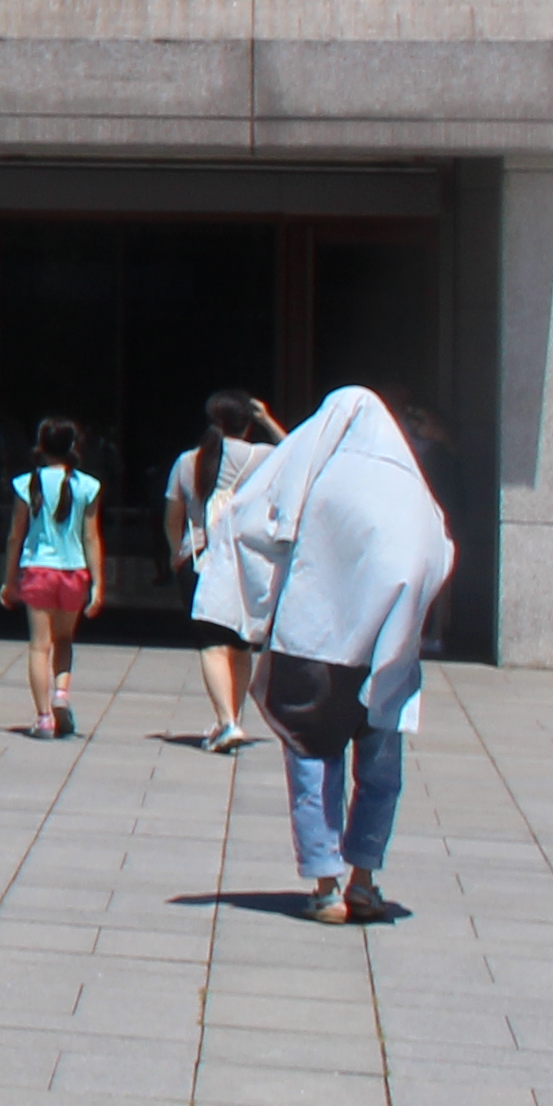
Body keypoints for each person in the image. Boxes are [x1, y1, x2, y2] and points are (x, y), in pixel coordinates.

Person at [225, 385, 456, 924]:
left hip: (315, 648)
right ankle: (365, 881)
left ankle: (325, 885)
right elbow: (439, 552)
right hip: (386, 652)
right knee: (378, 771)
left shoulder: (325, 479)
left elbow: (262, 522)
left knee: (312, 759)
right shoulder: (410, 487)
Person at [169, 389, 284, 752]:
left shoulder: (189, 461)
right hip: (247, 563)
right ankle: (231, 719)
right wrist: (267, 419)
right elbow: (298, 451)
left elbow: (173, 514)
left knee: (211, 642)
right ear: (247, 422)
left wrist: (175, 552)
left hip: (200, 559)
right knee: (239, 645)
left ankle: (226, 721)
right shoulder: (265, 457)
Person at [2, 416, 106, 739]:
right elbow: (92, 536)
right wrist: (99, 584)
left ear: (40, 446)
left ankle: (43, 716)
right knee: (64, 640)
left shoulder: (26, 483)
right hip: (74, 572)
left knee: (38, 646)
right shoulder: (87, 486)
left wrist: (9, 580)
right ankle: (61, 693)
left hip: (38, 570)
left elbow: (15, 537)